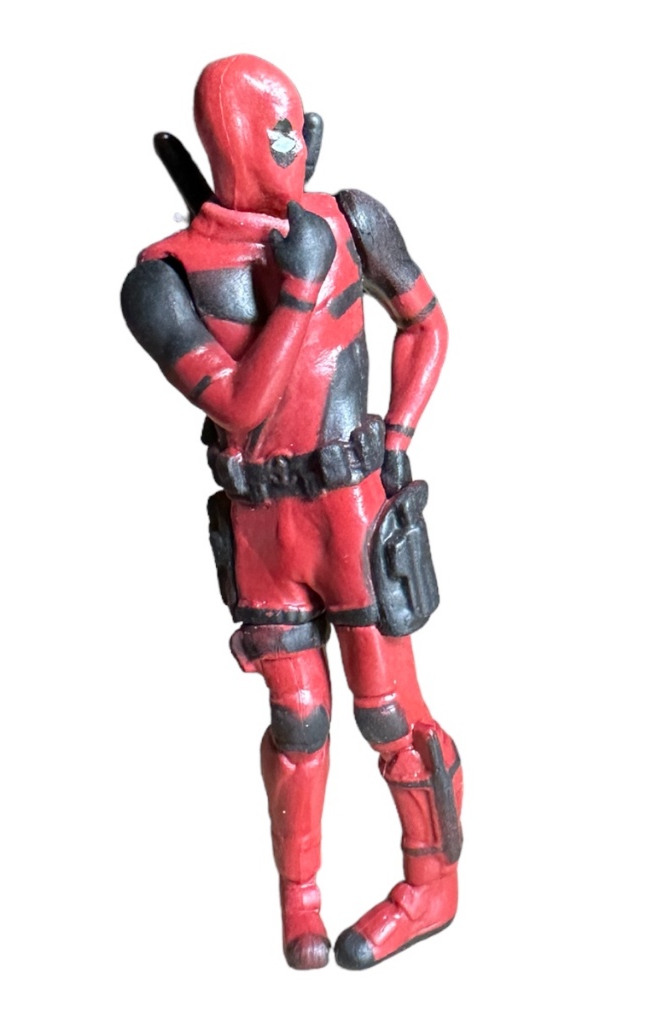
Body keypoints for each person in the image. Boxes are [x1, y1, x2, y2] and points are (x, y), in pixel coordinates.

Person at [121, 54, 462, 971]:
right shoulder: (162, 278)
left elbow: (426, 322)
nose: (292, 144)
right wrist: (302, 290)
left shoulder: (349, 220)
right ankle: (299, 902)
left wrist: (399, 433)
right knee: (299, 718)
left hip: (352, 512)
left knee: (387, 709)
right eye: (273, 129)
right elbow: (240, 407)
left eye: (295, 124)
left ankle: (431, 885)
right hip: (264, 527)